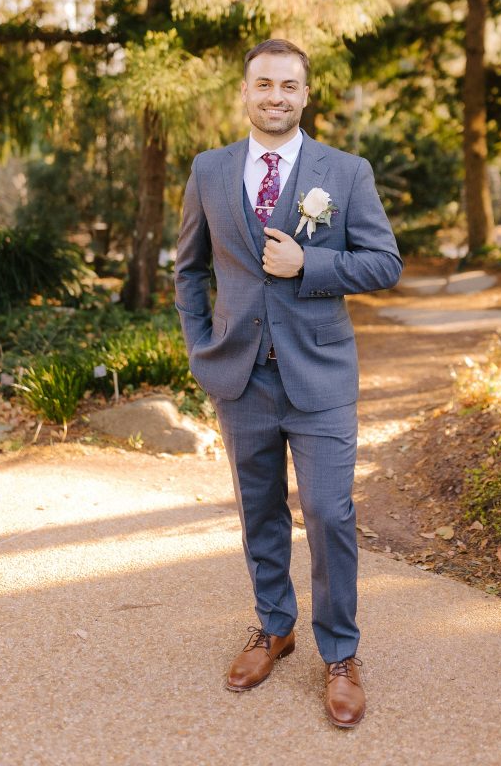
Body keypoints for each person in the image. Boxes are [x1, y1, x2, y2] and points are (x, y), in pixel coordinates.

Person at [174, 38, 403, 728]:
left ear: (306, 95)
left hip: (320, 372)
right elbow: (187, 269)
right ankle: (274, 625)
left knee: (330, 514)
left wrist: (311, 263)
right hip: (240, 375)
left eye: (288, 86)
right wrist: (198, 347)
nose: (275, 96)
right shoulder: (208, 170)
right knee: (259, 510)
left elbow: (383, 263)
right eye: (263, 84)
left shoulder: (345, 170)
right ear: (244, 93)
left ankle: (339, 652)